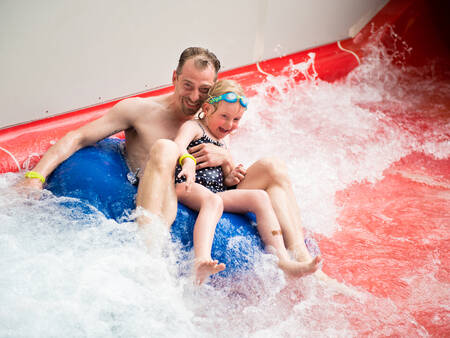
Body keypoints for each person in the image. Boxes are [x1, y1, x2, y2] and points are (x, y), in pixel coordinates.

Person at [19, 47, 319, 281]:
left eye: (204, 90)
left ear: (213, 90)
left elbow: (221, 176)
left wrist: (228, 160)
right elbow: (79, 136)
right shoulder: (140, 110)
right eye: (187, 85)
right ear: (174, 77)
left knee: (274, 167)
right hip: (164, 194)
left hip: (207, 194)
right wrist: (35, 175)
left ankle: (300, 260)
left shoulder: (213, 120)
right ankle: (147, 256)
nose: (194, 96)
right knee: (164, 148)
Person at [174, 79, 321, 284]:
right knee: (212, 202)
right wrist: (187, 161)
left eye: (236, 119)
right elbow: (178, 145)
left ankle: (282, 260)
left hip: (215, 191)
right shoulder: (194, 127)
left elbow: (222, 174)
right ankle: (201, 260)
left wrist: (231, 175)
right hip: (188, 185)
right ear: (207, 109)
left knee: (260, 197)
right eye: (224, 116)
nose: (229, 124)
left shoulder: (224, 139)